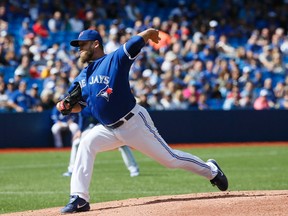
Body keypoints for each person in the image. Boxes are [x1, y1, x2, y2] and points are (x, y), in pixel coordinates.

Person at [57, 28, 228, 214]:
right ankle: (79, 198)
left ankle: (211, 170)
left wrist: (149, 33)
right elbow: (79, 105)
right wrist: (66, 107)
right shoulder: (83, 76)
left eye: (82, 45)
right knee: (86, 143)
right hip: (108, 129)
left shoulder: (113, 59)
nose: (79, 49)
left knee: (170, 159)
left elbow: (133, 43)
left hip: (133, 123)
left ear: (95, 44)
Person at [63, 107, 139, 177]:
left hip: (108, 126)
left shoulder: (102, 100)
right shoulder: (85, 104)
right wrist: (79, 130)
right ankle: (71, 169)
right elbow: (82, 117)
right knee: (76, 142)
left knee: (122, 144)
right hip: (91, 129)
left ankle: (133, 168)